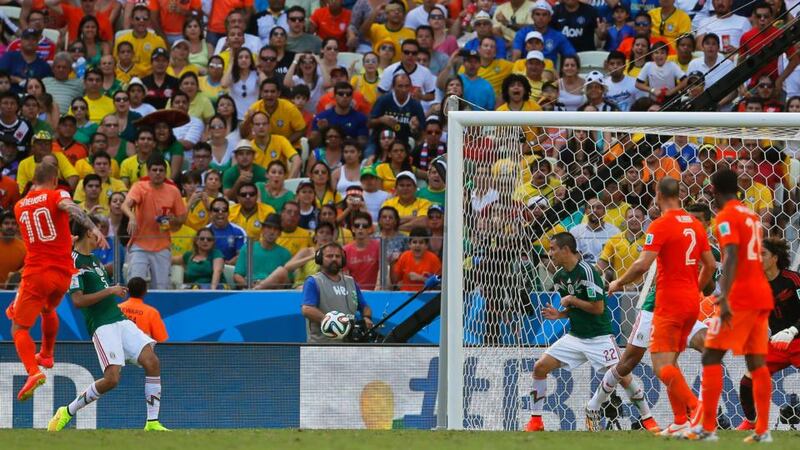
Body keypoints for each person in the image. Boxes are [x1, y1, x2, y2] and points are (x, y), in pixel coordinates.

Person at [608, 177, 715, 437]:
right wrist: (695, 289)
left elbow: (643, 265)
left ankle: (697, 411)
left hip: (668, 303)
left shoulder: (660, 224)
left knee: (660, 365)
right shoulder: (695, 224)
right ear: (679, 194)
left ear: (657, 194)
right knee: (671, 363)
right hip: (691, 303)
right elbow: (710, 266)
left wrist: (618, 282)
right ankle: (680, 420)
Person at [47, 216, 168, 432]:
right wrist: (111, 290)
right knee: (111, 379)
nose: (100, 235)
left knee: (152, 361)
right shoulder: (72, 263)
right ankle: (66, 411)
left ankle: (152, 423)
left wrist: (113, 291)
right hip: (101, 325)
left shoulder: (94, 260)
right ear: (88, 233)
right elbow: (78, 301)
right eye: (98, 231)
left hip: (119, 319)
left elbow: (101, 292)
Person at [7, 162, 106, 401]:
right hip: (62, 275)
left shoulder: (19, 206)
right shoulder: (57, 194)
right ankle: (47, 354)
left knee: (18, 327)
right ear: (54, 180)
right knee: (48, 309)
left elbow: (40, 234)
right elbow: (69, 208)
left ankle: (33, 372)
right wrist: (92, 227)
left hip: (36, 273)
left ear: (32, 181)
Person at [689, 169, 774, 443]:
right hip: (761, 293)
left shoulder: (725, 218)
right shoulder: (752, 216)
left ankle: (707, 426)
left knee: (711, 356)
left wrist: (723, 295)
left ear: (713, 189)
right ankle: (762, 429)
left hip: (740, 297)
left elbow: (732, 256)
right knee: (756, 361)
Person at [526, 231, 631, 432]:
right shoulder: (559, 277)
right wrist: (560, 314)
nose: (550, 254)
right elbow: (574, 308)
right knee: (540, 367)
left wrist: (572, 301)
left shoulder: (588, 271)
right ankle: (536, 421)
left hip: (599, 337)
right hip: (576, 336)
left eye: (552, 249)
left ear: (566, 250)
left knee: (624, 377)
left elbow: (597, 308)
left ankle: (647, 417)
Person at [737, 237, 800, 431]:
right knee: (747, 380)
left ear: (775, 257)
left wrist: (793, 330)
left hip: (797, 338)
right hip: (777, 343)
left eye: (762, 254)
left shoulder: (793, 280)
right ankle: (751, 421)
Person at [121, 154, 187, 289]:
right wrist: (132, 217)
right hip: (139, 244)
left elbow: (182, 218)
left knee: (162, 288)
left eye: (161, 170)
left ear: (165, 172)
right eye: (154, 170)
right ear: (148, 171)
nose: (158, 173)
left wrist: (172, 220)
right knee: (134, 284)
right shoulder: (139, 187)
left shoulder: (173, 191)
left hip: (162, 246)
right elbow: (125, 205)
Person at [301, 242, 373, 343]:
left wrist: (367, 317)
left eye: (338, 256)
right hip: (321, 346)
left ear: (342, 259)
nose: (334, 259)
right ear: (320, 259)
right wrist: (331, 322)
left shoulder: (350, 281)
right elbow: (307, 309)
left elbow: (364, 306)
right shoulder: (313, 281)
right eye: (329, 256)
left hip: (349, 345)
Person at [233, 213, 292, 289]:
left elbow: (289, 281)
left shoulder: (285, 254)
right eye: (269, 227)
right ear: (262, 229)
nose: (272, 232)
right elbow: (237, 275)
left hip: (273, 292)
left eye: (276, 229)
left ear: (280, 233)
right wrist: (250, 285)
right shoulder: (248, 248)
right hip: (250, 290)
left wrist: (268, 284)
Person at [119, 277, 168, 342]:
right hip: (143, 350)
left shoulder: (118, 308)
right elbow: (161, 340)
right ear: (145, 292)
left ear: (127, 290)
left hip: (120, 351)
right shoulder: (151, 312)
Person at [391, 226, 441, 291]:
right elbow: (395, 281)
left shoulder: (433, 259)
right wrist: (392, 263)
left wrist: (421, 278)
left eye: (421, 242)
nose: (417, 245)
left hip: (428, 297)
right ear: (409, 244)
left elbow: (441, 282)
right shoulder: (404, 256)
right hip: (406, 296)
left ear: (427, 245)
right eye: (414, 242)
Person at [343, 211, 380, 290]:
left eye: (364, 226)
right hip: (353, 292)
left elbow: (383, 270)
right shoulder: (345, 250)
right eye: (357, 225)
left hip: (374, 292)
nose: (360, 228)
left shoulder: (378, 247)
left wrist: (377, 289)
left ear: (370, 229)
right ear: (352, 229)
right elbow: (345, 276)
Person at [205, 197, 247, 265]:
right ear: (210, 213)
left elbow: (241, 256)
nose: (220, 212)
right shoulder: (204, 231)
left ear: (228, 213)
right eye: (216, 210)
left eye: (224, 210)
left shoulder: (238, 231)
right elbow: (201, 254)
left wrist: (226, 264)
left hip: (231, 268)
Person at [0, 211, 25, 288]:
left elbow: (29, 265)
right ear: (0, 226)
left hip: (12, 292)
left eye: (13, 223)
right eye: (6, 223)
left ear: (17, 227)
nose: (10, 226)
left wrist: (17, 274)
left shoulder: (23, 247)